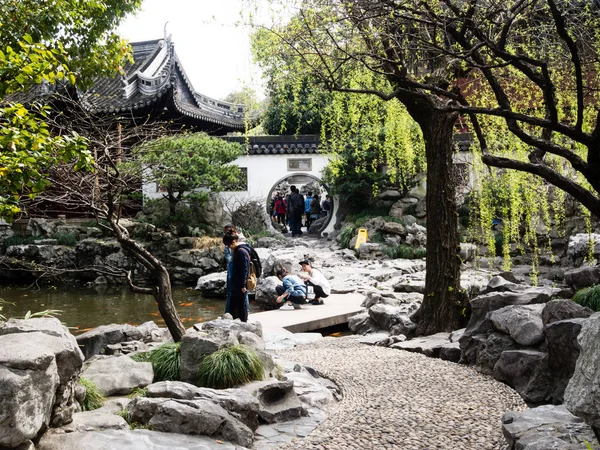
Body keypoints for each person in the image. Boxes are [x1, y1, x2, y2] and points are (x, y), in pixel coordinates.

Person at [222, 233, 251, 322]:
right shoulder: (241, 250)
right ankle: (240, 322)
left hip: (239, 285)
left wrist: (243, 285)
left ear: (234, 241)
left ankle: (242, 323)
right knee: (238, 305)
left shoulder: (240, 252)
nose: (228, 247)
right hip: (238, 284)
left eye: (228, 245)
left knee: (239, 306)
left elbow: (244, 269)